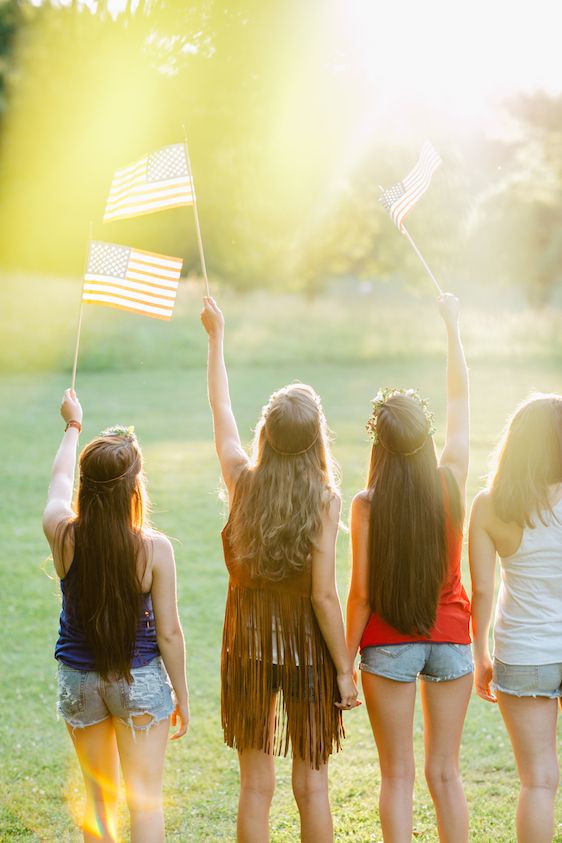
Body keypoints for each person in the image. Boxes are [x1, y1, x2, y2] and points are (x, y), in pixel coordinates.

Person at [200, 296, 359, 843]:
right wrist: (343, 668)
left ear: (265, 432)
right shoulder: (324, 498)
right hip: (305, 651)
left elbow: (221, 412)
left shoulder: (241, 480)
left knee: (254, 788)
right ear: (316, 440)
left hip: (246, 646)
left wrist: (217, 337)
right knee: (313, 786)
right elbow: (323, 596)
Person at [346, 294, 472, 843]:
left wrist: (342, 662)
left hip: (387, 645)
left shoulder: (367, 504)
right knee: (445, 774)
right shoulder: (450, 480)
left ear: (380, 443)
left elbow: (360, 596)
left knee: (395, 776)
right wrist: (452, 327)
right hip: (451, 639)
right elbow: (461, 399)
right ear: (426, 440)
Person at [43, 389, 189, 843]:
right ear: (134, 488)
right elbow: (168, 633)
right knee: (144, 801)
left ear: (87, 487)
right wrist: (181, 696)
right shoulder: (153, 549)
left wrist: (73, 426)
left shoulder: (62, 534)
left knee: (99, 801)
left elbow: (58, 480)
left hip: (79, 683)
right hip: (140, 682)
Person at [469, 393, 562, 843]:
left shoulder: (489, 505)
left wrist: (479, 655)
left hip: (523, 654)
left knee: (538, 781)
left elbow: (483, 589)